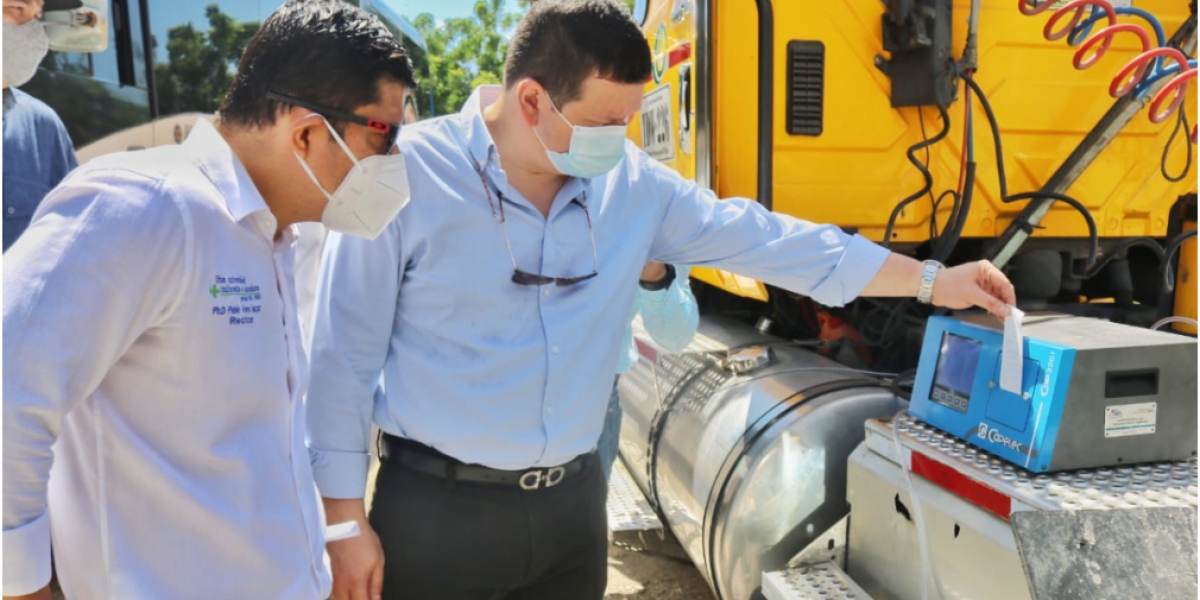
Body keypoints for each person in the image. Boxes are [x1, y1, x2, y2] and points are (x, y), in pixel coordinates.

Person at [306, 2, 1016, 599]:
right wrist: (343, 522)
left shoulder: (636, 190)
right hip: (436, 514)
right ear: (531, 100)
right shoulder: (407, 177)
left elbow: (773, 241)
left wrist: (932, 280)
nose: (621, 140)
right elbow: (340, 359)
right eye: (607, 121)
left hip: (571, 514)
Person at [1, 1, 415, 598]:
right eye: (387, 136)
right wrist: (24, 588)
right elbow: (8, 394)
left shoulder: (271, 235)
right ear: (305, 132)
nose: (396, 163)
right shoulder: (145, 206)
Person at [599, 261, 698, 482]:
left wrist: (655, 275)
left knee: (583, 511)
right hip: (511, 389)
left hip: (597, 396)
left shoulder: (663, 230)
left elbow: (675, 336)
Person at [3, 0, 79, 252]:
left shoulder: (44, 128)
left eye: (37, 15)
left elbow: (71, 244)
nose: (32, 29)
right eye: (16, 8)